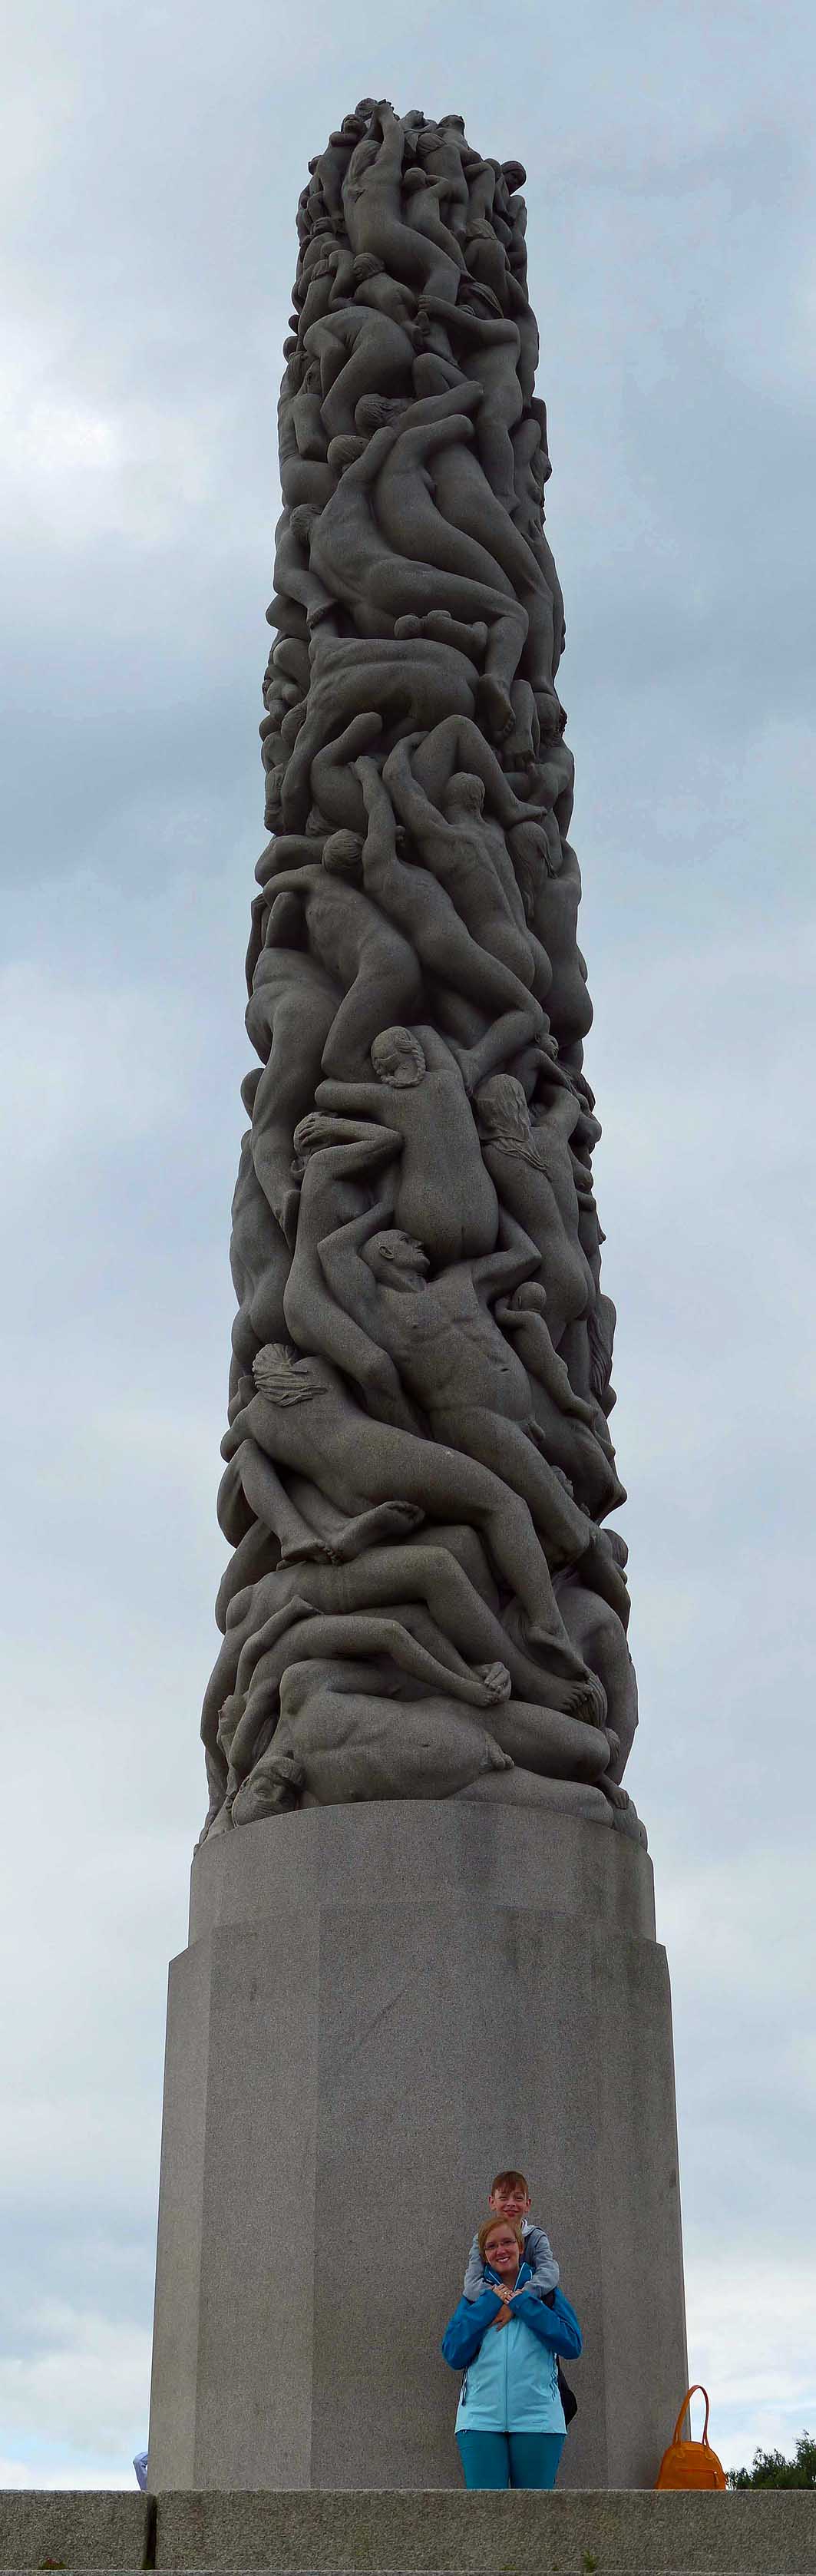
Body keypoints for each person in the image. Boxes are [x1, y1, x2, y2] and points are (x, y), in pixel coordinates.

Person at [442, 2214, 581, 2489]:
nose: (500, 2250)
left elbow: (571, 2344)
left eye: (507, 2242)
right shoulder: (474, 2297)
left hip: (539, 2419)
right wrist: (490, 2303)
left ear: (520, 2246)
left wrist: (522, 2304)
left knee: (534, 2513)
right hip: (480, 2420)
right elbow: (453, 2353)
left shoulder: (547, 2294)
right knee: (486, 2512)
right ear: (484, 2255)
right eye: (491, 2246)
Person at [462, 2168, 557, 2300]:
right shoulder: (481, 2239)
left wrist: (523, 2295)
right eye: (503, 2198)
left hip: (530, 2303)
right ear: (492, 2202)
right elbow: (471, 2283)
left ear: (527, 2204)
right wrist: (497, 2296)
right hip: (493, 2303)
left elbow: (549, 2272)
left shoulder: (536, 2237)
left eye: (518, 2198)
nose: (511, 2204)